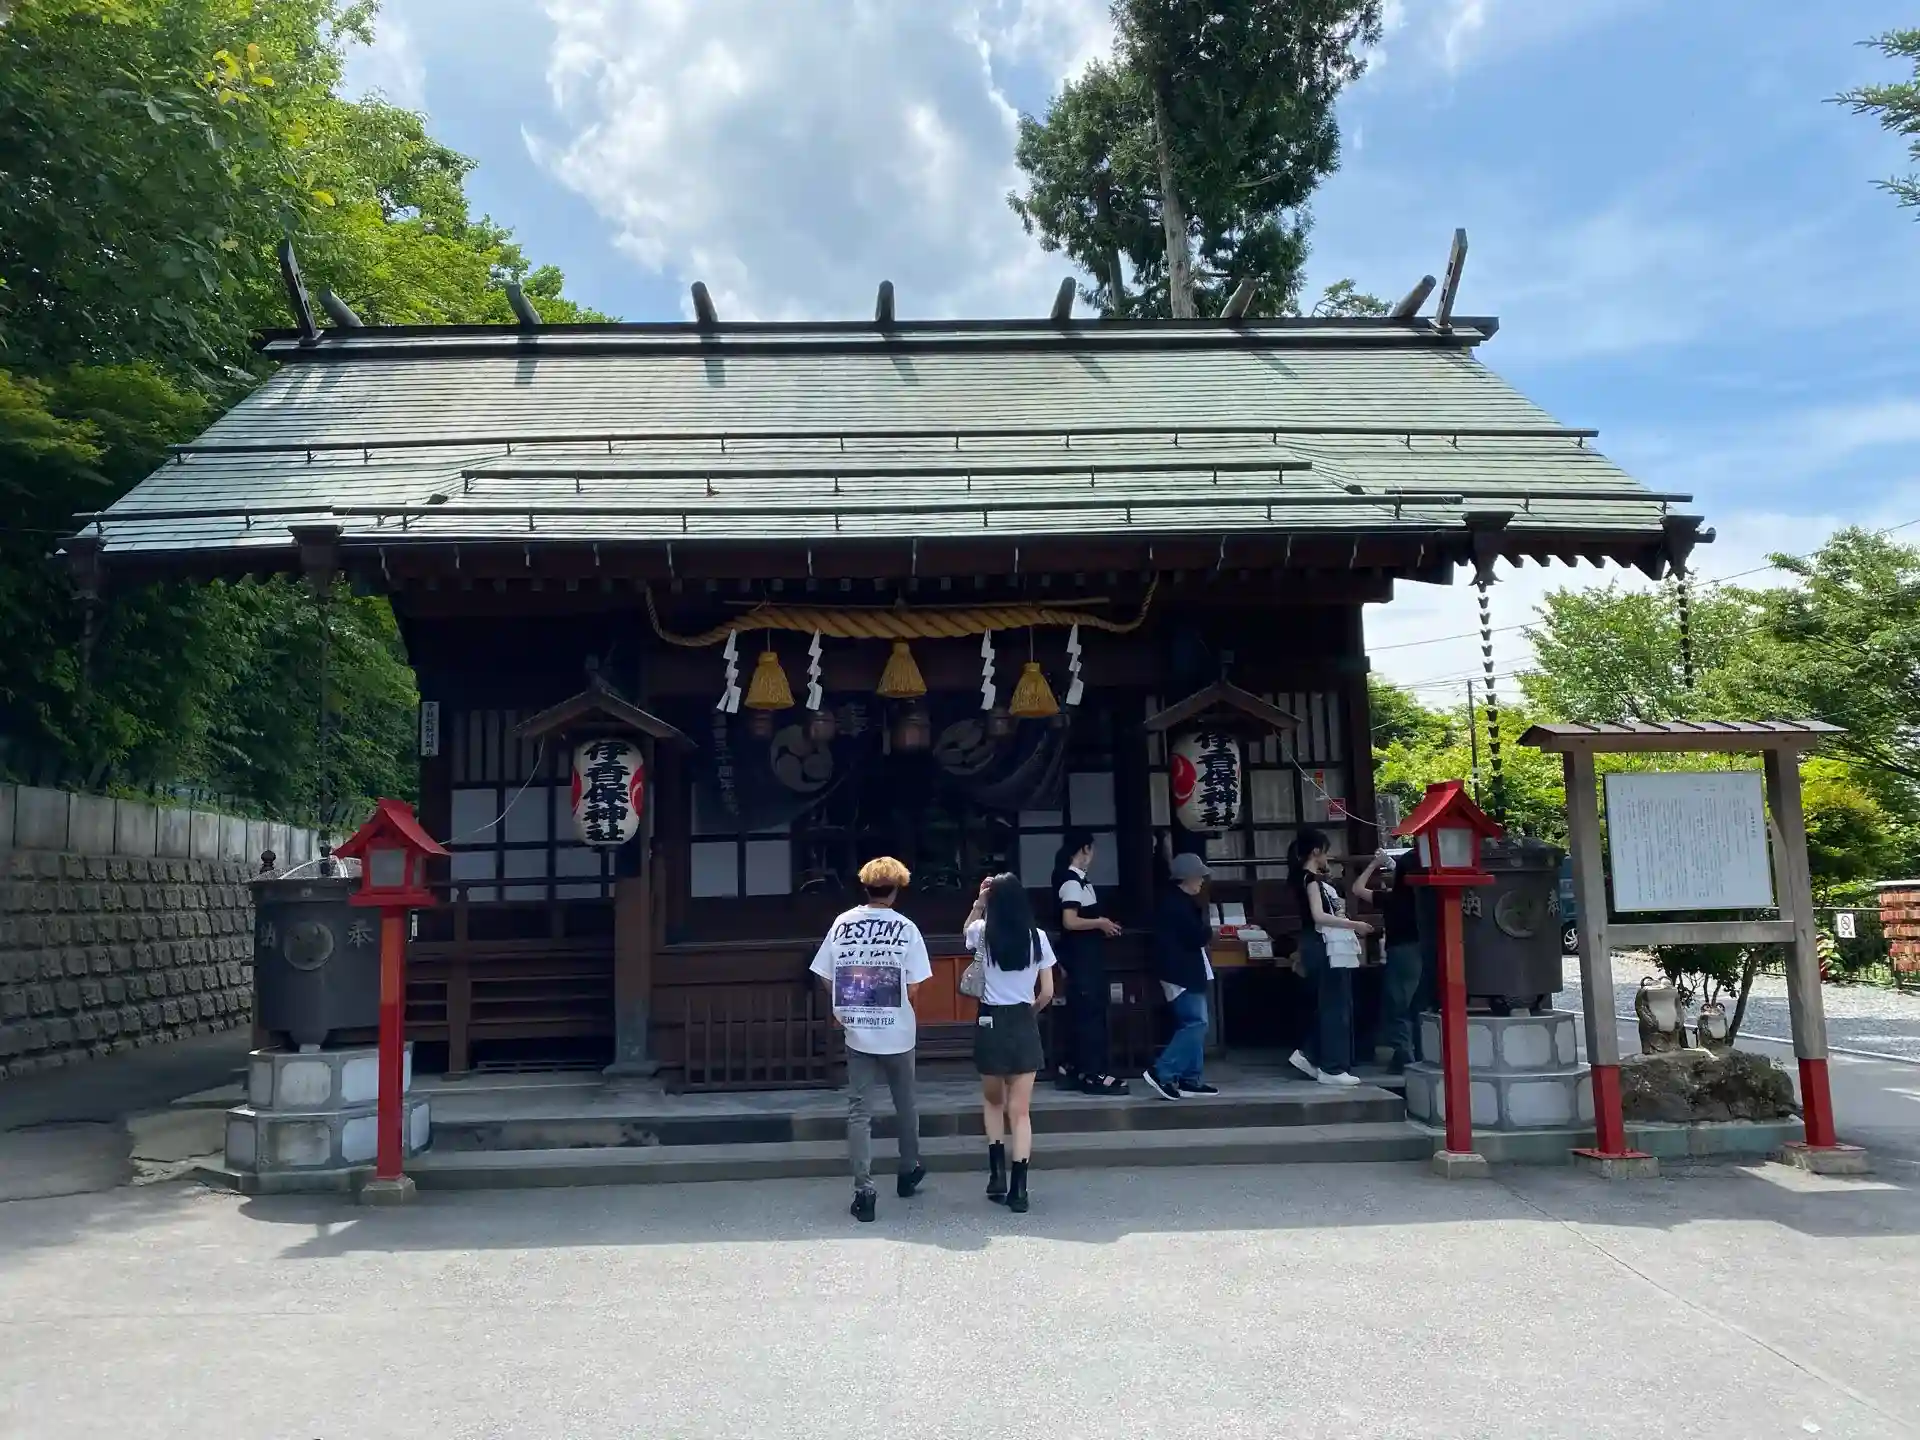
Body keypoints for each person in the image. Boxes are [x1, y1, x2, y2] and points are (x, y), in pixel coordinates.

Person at [809, 856, 933, 1223]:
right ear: (896, 890)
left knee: (859, 1110)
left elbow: (824, 973)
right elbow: (914, 987)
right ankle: (908, 1169)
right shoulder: (906, 928)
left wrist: (844, 1005)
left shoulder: (843, 924)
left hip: (858, 1030)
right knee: (905, 1104)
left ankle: (864, 1190)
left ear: (865, 887)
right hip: (898, 1030)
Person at [964, 872, 1056, 1213]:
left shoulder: (982, 932)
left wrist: (978, 903)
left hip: (990, 1020)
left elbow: (966, 931)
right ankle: (1020, 1190)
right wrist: (1029, 1013)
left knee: (993, 1102)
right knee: (1020, 1111)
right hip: (1022, 1020)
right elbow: (1047, 992)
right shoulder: (1038, 937)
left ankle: (996, 1176)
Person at [1286, 828, 1372, 1089]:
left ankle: (1311, 1055)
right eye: (1325, 852)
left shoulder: (1304, 878)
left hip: (1315, 943)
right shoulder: (1310, 880)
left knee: (1331, 1004)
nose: (1328, 857)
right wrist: (1354, 924)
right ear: (1316, 852)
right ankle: (1331, 1067)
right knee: (1335, 1006)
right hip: (1322, 943)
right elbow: (1319, 916)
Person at [1052, 831, 1129, 1095]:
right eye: (1092, 850)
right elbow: (1070, 921)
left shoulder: (1078, 880)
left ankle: (1073, 1068)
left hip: (1085, 956)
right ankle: (1093, 1073)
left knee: (1084, 1013)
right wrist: (1100, 923)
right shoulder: (1071, 881)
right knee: (1090, 1015)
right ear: (1085, 849)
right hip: (1081, 958)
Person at [1143, 849, 1218, 1101]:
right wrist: (1208, 932)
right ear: (1186, 877)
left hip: (1181, 971)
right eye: (1199, 876)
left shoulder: (1175, 901)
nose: (1202, 881)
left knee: (1193, 1024)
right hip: (1181, 973)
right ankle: (1162, 1071)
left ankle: (1190, 1079)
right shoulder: (1177, 905)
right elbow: (1197, 936)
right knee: (1196, 1023)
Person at [1353, 845, 1427, 1073]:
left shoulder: (1392, 899)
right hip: (1424, 951)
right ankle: (1423, 1054)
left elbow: (1357, 888)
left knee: (1398, 1006)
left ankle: (1405, 1056)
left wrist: (1375, 864)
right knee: (1419, 1005)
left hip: (1401, 952)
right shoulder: (1426, 899)